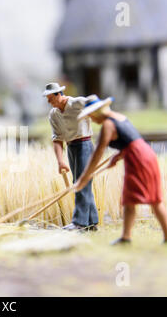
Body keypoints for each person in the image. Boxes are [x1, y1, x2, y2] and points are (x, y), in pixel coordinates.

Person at [74, 95, 167, 245]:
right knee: (152, 198)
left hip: (137, 159)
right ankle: (166, 237)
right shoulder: (120, 117)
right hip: (147, 155)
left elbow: (97, 154)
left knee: (131, 198)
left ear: (96, 113)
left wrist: (83, 179)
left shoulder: (108, 125)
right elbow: (131, 141)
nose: (92, 120)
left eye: (91, 116)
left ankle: (128, 237)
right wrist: (119, 155)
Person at [43, 82, 98, 231]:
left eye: (51, 98)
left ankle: (79, 222)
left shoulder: (77, 103)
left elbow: (94, 102)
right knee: (79, 182)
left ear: (59, 95)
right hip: (71, 147)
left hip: (85, 145)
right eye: (47, 99)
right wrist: (60, 161)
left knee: (81, 183)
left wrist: (100, 116)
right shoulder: (54, 114)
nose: (49, 102)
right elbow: (57, 139)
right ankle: (92, 222)